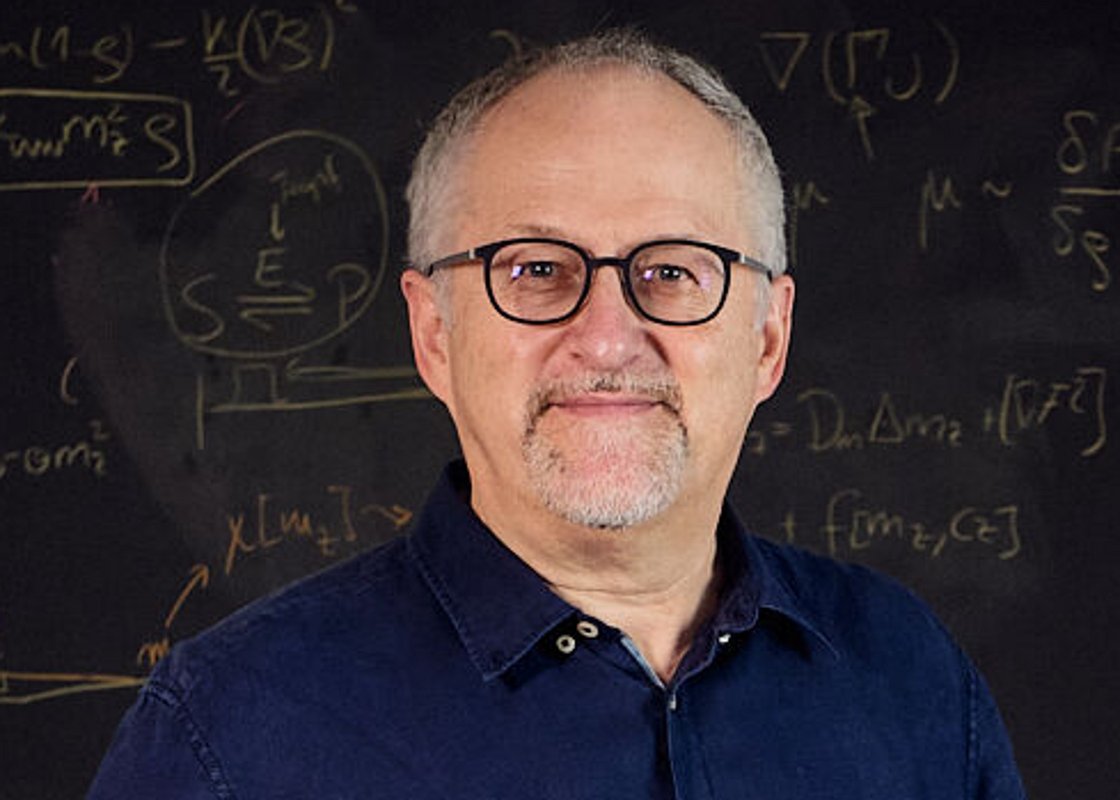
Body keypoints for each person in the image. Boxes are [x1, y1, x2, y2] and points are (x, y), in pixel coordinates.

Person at [88, 29, 1026, 799]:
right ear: (433, 333)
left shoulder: (909, 679)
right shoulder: (230, 736)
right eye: (536, 269)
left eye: (672, 271)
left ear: (768, 339)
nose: (608, 339)